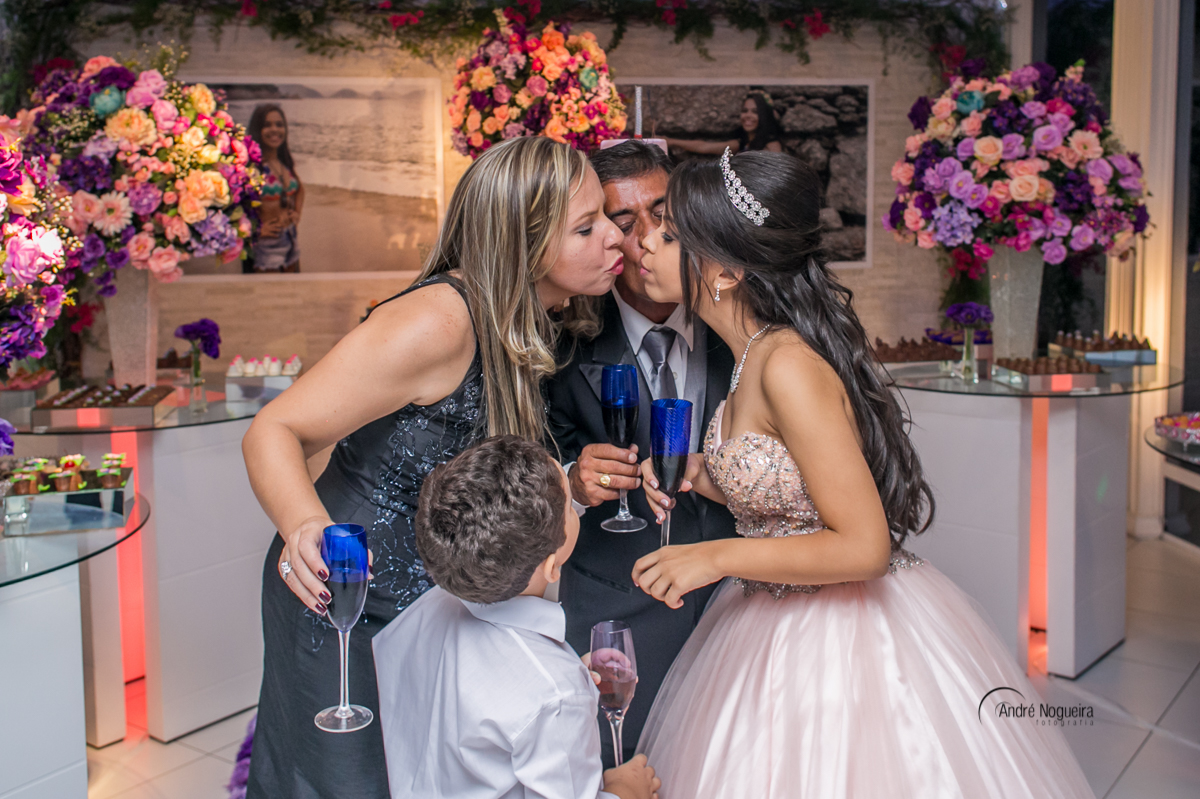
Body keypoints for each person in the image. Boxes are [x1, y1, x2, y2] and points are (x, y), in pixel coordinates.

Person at [631, 149, 1096, 798]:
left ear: (729, 268)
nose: (642, 241)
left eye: (670, 232)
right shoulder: (751, 352)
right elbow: (780, 481)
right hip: (768, 616)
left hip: (842, 638)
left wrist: (710, 556)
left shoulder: (787, 363)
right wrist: (695, 471)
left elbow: (864, 546)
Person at [242, 136, 624, 798]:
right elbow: (274, 429)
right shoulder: (438, 323)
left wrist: (569, 479)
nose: (616, 238)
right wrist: (305, 525)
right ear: (524, 244)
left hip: (427, 606)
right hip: (345, 596)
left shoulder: (532, 314)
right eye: (587, 227)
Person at [546, 140, 736, 768]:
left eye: (664, 214)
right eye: (623, 223)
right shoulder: (559, 343)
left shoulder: (739, 327)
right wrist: (574, 479)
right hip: (616, 609)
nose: (646, 235)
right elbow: (533, 458)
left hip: (739, 606)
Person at [373, 436, 661, 799]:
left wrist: (568, 672)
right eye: (570, 509)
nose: (575, 509)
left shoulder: (428, 608)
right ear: (552, 566)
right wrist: (623, 792)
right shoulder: (556, 697)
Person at [247, 104, 304, 272]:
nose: (275, 129)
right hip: (266, 245)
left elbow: (300, 189)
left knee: (292, 293)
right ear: (258, 129)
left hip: (290, 238)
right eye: (267, 125)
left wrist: (297, 214)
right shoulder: (252, 167)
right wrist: (256, 231)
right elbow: (235, 209)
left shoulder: (283, 162)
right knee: (270, 294)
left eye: (279, 124)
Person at [662, 91, 783, 156]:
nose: (748, 116)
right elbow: (704, 146)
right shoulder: (742, 144)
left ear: (764, 116)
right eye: (744, 111)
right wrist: (671, 142)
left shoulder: (772, 146)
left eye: (755, 112)